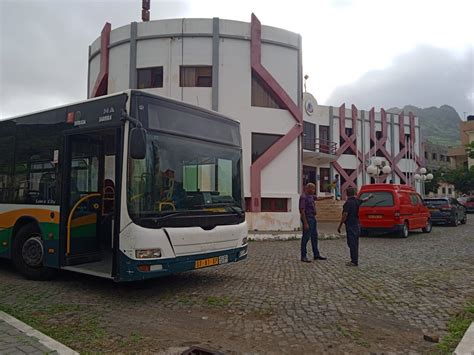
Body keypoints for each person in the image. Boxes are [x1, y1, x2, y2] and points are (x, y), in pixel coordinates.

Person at [337, 187, 372, 266]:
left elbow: (345, 215)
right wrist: (369, 197)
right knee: (355, 243)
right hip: (357, 224)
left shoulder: (347, 203)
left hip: (350, 225)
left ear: (347, 194)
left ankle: (354, 261)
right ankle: (354, 259)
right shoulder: (357, 201)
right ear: (354, 193)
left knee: (351, 243)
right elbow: (364, 200)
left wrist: (340, 226)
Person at [299, 183, 332, 263]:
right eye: (313, 189)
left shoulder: (311, 196)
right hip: (307, 218)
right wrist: (305, 223)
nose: (314, 190)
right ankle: (303, 256)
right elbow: (302, 211)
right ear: (308, 188)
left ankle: (316, 254)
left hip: (313, 218)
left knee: (314, 237)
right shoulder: (303, 197)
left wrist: (328, 198)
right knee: (306, 237)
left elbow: (318, 198)